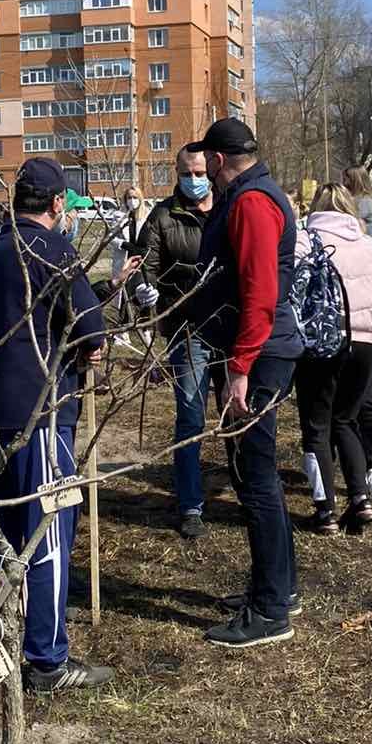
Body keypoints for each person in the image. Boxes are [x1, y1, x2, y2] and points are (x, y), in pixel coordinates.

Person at [0, 158, 111, 694]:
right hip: (40, 410)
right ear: (56, 206)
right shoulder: (54, 249)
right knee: (47, 529)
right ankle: (47, 659)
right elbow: (90, 330)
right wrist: (89, 346)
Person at [189, 117, 303, 650]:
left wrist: (239, 366)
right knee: (256, 476)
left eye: (204, 164)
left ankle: (270, 611)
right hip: (254, 350)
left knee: (253, 478)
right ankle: (277, 587)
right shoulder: (251, 195)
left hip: (256, 355)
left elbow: (258, 293)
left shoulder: (253, 203)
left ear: (216, 160)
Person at [294, 184, 372, 534]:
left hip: (323, 343)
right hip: (366, 344)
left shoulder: (305, 240)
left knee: (317, 427)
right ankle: (360, 499)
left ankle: (325, 512)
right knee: (347, 421)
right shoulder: (366, 244)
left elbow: (293, 289)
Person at [135, 147, 214, 539]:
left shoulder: (229, 209)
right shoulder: (163, 216)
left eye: (199, 170)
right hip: (187, 329)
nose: (193, 178)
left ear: (212, 170)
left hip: (230, 327)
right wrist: (143, 290)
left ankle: (245, 490)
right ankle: (191, 504)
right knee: (190, 416)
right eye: (186, 171)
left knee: (238, 413)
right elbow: (140, 265)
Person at [340, 166, 372, 248]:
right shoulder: (361, 199)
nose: (343, 184)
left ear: (355, 180)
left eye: (345, 180)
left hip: (368, 250)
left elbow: (347, 221)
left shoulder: (364, 201)